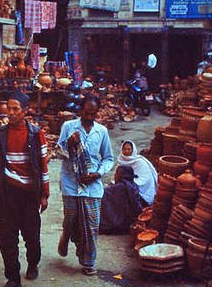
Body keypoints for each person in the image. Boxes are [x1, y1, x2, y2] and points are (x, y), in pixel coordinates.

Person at [0, 91, 49, 287]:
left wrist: (44, 194)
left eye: (16, 109)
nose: (11, 113)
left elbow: (42, 166)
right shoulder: (1, 133)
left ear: (26, 111)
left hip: (29, 193)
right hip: (7, 192)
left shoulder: (35, 133)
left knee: (31, 236)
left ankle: (33, 264)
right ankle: (13, 278)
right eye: (9, 108)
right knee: (6, 237)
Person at [57, 95, 114, 275]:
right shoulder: (68, 127)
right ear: (81, 110)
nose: (90, 117)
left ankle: (88, 261)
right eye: (87, 113)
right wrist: (70, 144)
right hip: (71, 181)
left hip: (92, 184)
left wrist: (98, 173)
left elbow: (108, 158)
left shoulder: (102, 131)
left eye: (93, 113)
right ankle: (66, 235)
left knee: (91, 224)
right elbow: (58, 152)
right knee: (71, 219)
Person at [99, 165, 143, 234]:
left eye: (116, 173)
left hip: (117, 224)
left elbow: (102, 194)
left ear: (120, 175)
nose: (114, 175)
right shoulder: (133, 185)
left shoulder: (116, 188)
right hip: (129, 222)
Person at [117, 140, 157, 206]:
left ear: (133, 150)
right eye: (124, 149)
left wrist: (129, 184)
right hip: (127, 185)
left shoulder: (140, 162)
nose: (126, 151)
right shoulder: (121, 160)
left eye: (128, 149)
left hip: (140, 192)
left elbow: (145, 179)